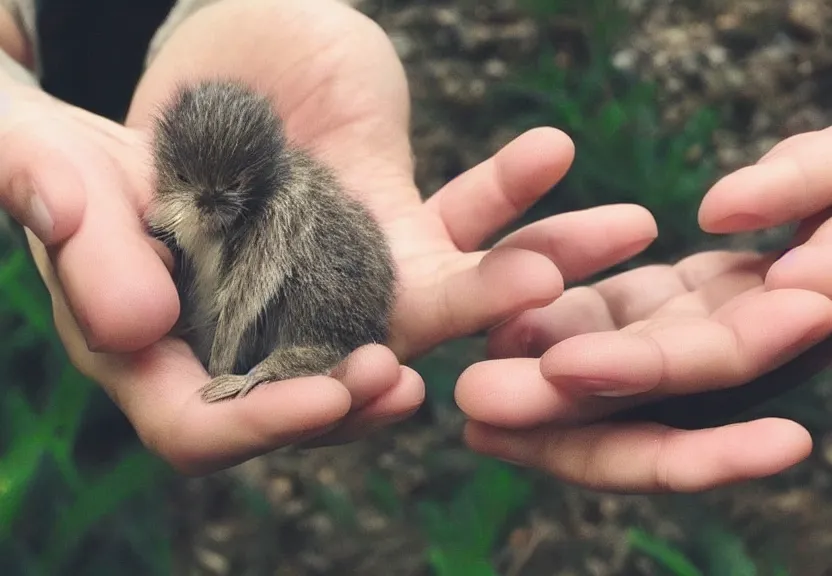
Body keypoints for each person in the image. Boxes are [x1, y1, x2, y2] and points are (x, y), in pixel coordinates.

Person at [1, 0, 830, 490]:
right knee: (124, 300)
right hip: (86, 87)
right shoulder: (191, 199)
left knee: (154, 315)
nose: (204, 210)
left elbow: (256, 283)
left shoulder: (283, 215)